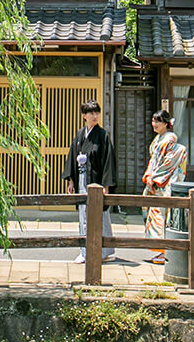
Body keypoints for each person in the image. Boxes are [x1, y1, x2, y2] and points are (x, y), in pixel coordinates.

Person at [63, 99, 116, 264]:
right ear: (84, 116)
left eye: (97, 112)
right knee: (83, 215)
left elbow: (108, 161)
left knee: (100, 214)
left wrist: (106, 185)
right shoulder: (80, 135)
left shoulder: (102, 136)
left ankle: (104, 251)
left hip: (97, 181)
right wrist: (71, 181)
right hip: (81, 178)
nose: (95, 116)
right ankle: (84, 251)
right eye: (91, 113)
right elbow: (72, 156)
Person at [142, 109, 187, 265]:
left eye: (158, 121)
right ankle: (160, 250)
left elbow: (165, 164)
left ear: (166, 123)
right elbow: (154, 161)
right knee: (154, 214)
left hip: (164, 183)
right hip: (156, 181)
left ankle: (164, 251)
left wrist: (154, 178)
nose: (154, 124)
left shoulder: (169, 139)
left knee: (162, 216)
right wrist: (149, 176)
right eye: (153, 121)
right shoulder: (159, 139)